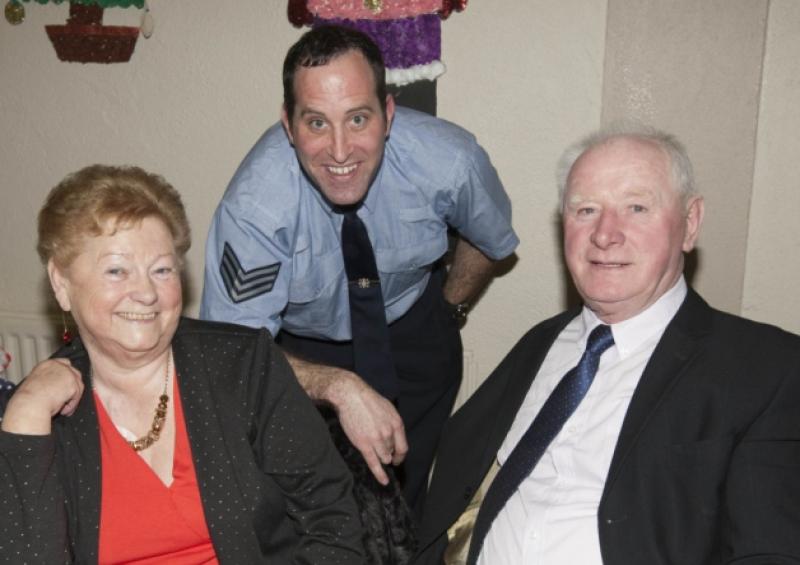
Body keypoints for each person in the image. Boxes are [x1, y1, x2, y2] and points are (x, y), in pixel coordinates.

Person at [415, 125, 800, 564]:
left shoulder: (767, 371)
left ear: (690, 224)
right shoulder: (539, 345)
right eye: (585, 210)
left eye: (636, 207)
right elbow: (453, 495)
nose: (605, 234)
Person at [200, 25, 518, 515]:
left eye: (358, 118)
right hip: (301, 353)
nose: (341, 151)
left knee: (405, 508)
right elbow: (237, 348)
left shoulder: (450, 161)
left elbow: (491, 239)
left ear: (388, 113)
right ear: (288, 125)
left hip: (415, 330)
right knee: (312, 514)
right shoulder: (254, 207)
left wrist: (449, 308)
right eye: (317, 123)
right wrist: (338, 386)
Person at [0, 165, 364, 563]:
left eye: (161, 270)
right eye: (117, 270)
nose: (145, 293)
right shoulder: (43, 414)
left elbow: (333, 519)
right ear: (61, 283)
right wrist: (26, 413)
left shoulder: (243, 366)